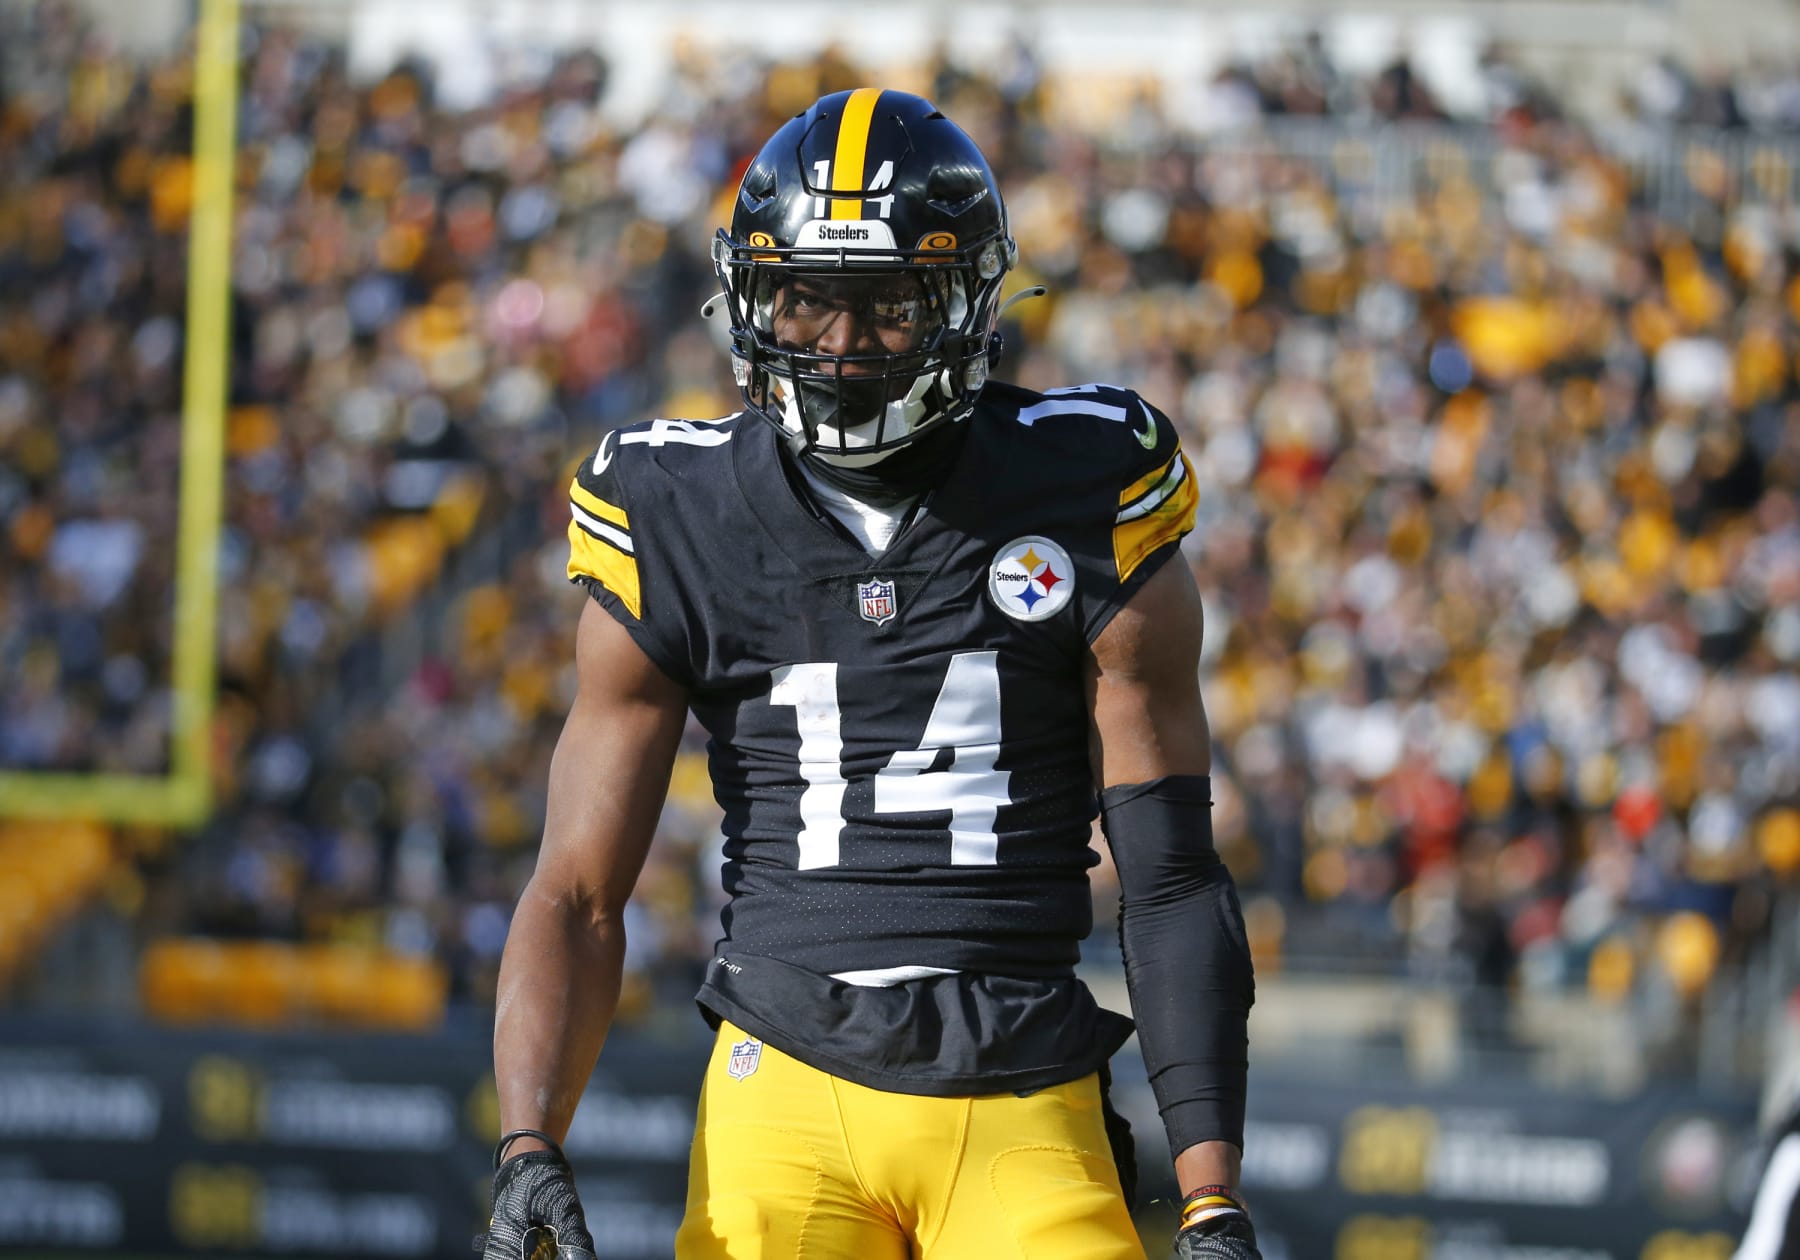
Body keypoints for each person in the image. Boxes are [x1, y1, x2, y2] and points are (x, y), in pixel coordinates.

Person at [483, 88, 1260, 1260]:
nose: (842, 347)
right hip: (782, 1073)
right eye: (806, 299)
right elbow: (577, 891)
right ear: (753, 297)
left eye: (887, 305)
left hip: (1019, 1079)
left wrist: (1210, 1194)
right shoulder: (675, 506)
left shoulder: (1084, 487)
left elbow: (1169, 876)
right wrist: (527, 1142)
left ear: (962, 303)